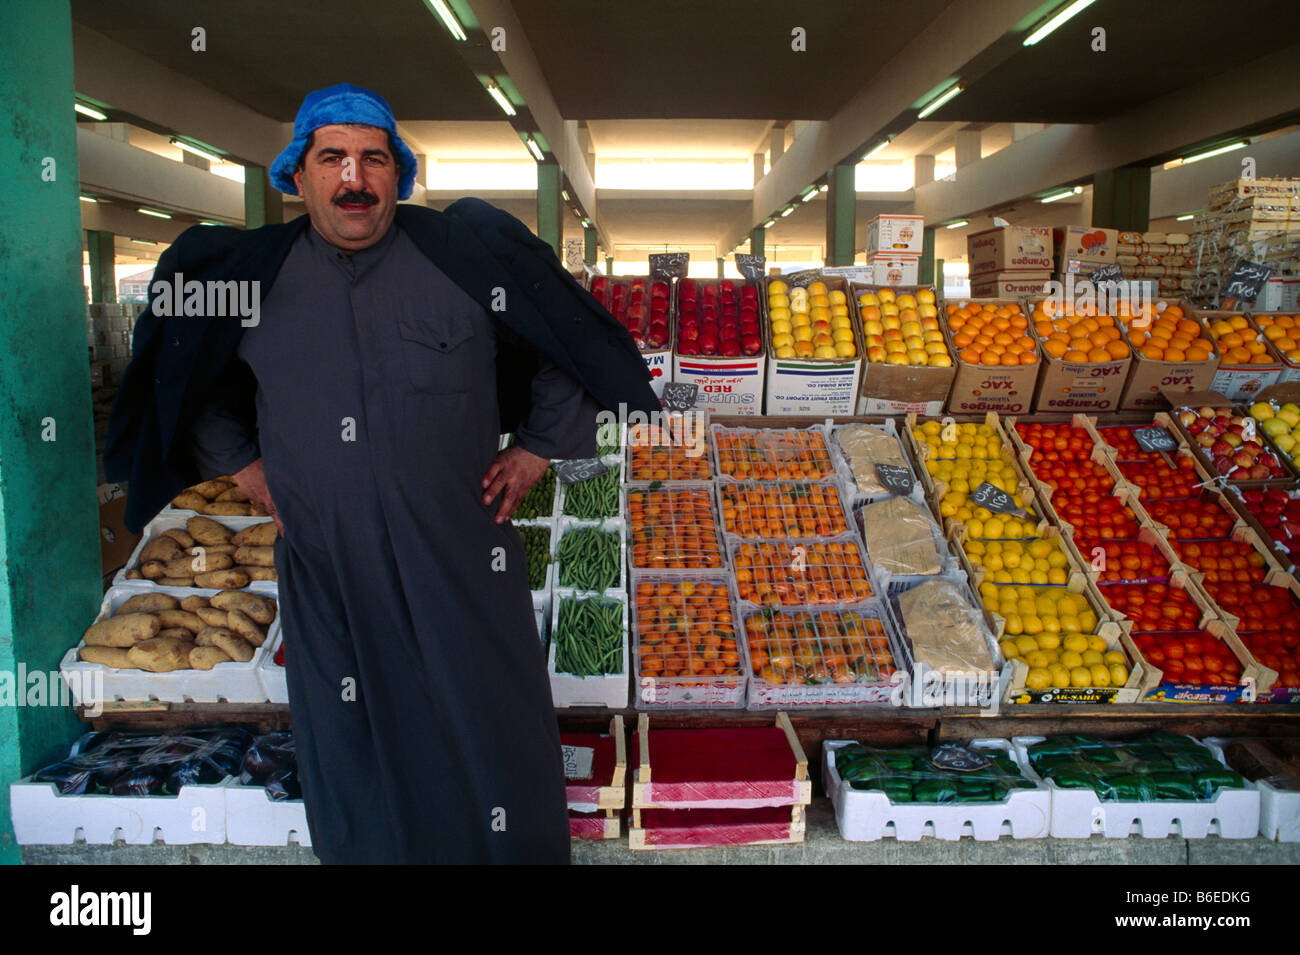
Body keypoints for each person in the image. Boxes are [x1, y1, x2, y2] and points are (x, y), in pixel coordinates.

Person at [106, 84, 658, 863]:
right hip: (329, 565)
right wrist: (244, 465)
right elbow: (187, 377)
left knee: (486, 721)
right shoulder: (249, 274)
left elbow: (567, 341)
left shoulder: (465, 255)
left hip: (463, 553)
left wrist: (536, 446)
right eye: (331, 158)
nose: (353, 178)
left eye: (373, 159)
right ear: (298, 176)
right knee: (354, 736)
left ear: (397, 175)